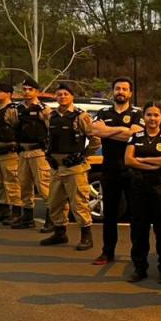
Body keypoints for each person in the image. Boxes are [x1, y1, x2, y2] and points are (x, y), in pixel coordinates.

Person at [40, 84, 100, 249]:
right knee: (54, 203)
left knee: (79, 203)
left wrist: (83, 155)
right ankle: (60, 233)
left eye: (66, 94)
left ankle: (86, 237)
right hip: (56, 167)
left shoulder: (81, 116)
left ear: (72, 96)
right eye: (59, 94)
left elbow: (95, 140)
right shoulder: (51, 116)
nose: (62, 97)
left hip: (74, 168)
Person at [91, 77, 143, 264]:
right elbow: (96, 131)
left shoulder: (137, 113)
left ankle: (137, 255)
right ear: (113, 91)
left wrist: (109, 130)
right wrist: (123, 130)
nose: (120, 92)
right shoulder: (103, 112)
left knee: (136, 215)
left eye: (124, 89)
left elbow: (135, 135)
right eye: (117, 88)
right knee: (110, 214)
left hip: (131, 169)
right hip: (110, 169)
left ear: (130, 93)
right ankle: (107, 252)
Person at [124, 101, 161, 284]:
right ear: (144, 117)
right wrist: (153, 164)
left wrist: (142, 160)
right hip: (138, 188)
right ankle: (140, 268)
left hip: (159, 189)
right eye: (149, 115)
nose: (152, 118)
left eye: (156, 115)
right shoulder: (135, 137)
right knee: (139, 229)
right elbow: (128, 160)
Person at [13, 78, 51, 229]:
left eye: (30, 89)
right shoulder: (18, 109)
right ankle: (28, 217)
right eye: (24, 89)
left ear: (37, 92)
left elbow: (50, 130)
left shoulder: (43, 109)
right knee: (24, 186)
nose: (27, 92)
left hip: (38, 153)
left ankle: (52, 219)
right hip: (23, 152)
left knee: (44, 187)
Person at [0, 83, 21, 224]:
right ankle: (3, 209)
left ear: (8, 94)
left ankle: (16, 212)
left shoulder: (12, 110)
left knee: (12, 183)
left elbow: (17, 128)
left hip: (9, 153)